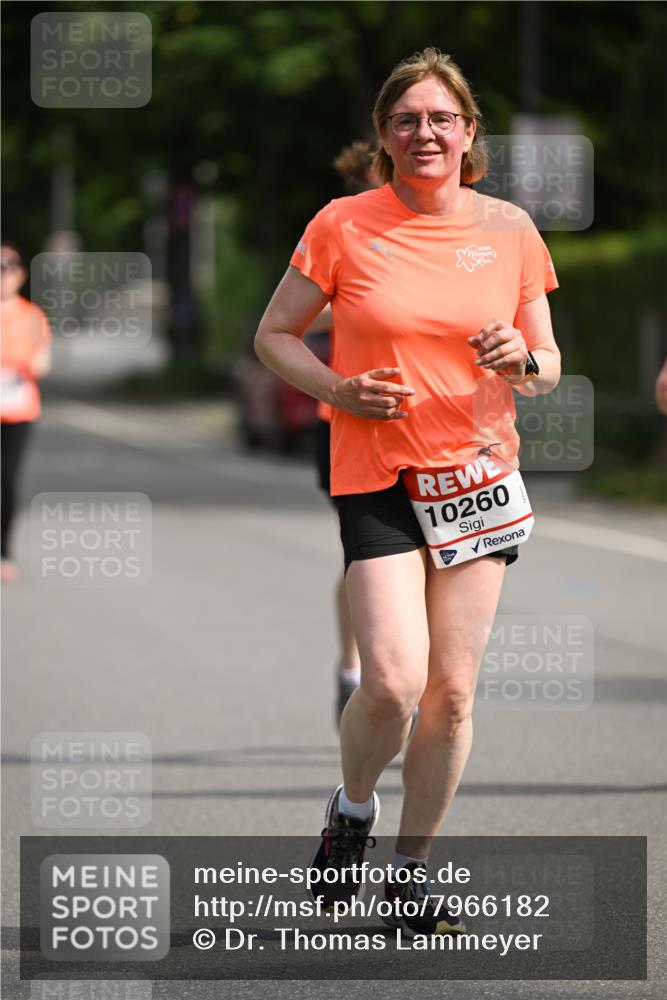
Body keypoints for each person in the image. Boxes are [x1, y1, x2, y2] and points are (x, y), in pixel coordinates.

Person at [255, 47, 560, 937]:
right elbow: (275, 336)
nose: (423, 133)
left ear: (469, 134)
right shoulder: (344, 224)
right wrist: (338, 390)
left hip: (476, 477)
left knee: (452, 695)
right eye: (405, 120)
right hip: (379, 474)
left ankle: (413, 874)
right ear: (383, 138)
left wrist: (524, 360)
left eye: (441, 119)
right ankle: (351, 810)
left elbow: (546, 368)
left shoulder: (508, 228)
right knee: (391, 682)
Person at [312, 140, 381, 725]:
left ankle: (399, 672)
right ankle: (352, 667)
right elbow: (294, 316)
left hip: (433, 430)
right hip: (344, 423)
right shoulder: (343, 227)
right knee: (364, 558)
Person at [1, 241, 51, 582]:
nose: (4, 275)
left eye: (10, 267)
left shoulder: (32, 316)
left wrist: (17, 363)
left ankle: (4, 551)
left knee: (8, 479)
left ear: (20, 274)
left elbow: (42, 363)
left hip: (18, 409)